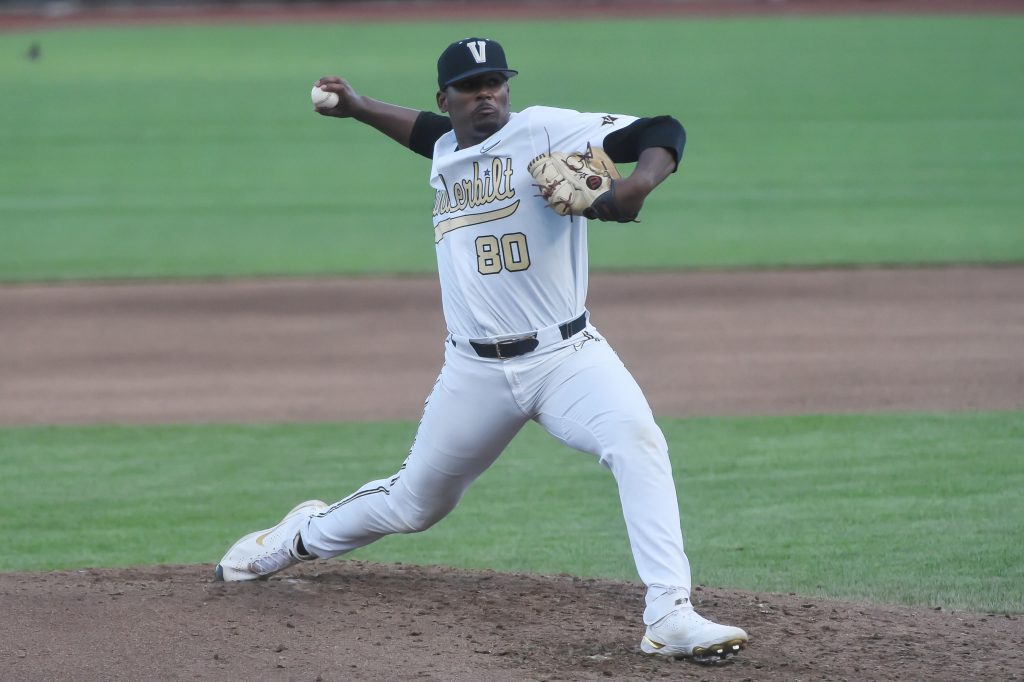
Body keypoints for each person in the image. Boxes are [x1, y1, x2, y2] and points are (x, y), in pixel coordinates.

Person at [215, 37, 748, 662]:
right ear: (448, 99)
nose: (487, 93)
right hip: (474, 372)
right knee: (414, 505)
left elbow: (663, 128)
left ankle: (669, 614)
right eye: (471, 86)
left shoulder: (546, 131)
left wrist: (637, 186)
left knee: (638, 441)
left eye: (496, 81)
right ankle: (299, 537)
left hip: (568, 358)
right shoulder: (445, 145)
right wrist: (358, 108)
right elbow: (425, 132)